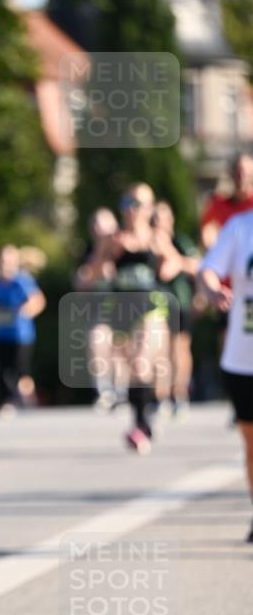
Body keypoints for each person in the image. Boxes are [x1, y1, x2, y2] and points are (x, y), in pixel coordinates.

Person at [89, 184, 186, 453]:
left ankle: (142, 424)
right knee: (133, 370)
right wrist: (105, 254)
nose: (131, 210)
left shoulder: (156, 238)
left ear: (148, 209)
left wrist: (165, 267)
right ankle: (142, 420)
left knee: (142, 364)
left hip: (150, 308)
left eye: (137, 204)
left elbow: (176, 262)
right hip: (121, 310)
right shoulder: (114, 239)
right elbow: (93, 273)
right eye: (127, 203)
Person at [198, 209, 253, 543]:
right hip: (243, 356)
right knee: (251, 442)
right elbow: (208, 270)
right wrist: (214, 289)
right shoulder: (240, 227)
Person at [151, 201, 200, 419]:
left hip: (180, 300)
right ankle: (159, 395)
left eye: (164, 218)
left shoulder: (180, 241)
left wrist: (176, 260)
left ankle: (180, 392)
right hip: (156, 302)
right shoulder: (149, 242)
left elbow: (198, 265)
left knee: (180, 346)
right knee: (159, 348)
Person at [74, 207, 126, 411]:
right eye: (96, 224)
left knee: (121, 348)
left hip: (124, 308)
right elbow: (81, 283)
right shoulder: (88, 252)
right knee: (97, 341)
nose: (100, 229)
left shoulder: (125, 249)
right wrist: (100, 255)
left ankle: (123, 392)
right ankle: (104, 390)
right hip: (99, 310)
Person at [0, 244, 46, 411]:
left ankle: (26, 399)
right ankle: (9, 401)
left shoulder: (23, 281)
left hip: (21, 335)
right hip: (0, 334)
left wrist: (23, 312)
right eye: (4, 261)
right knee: (2, 371)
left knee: (21, 370)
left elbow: (38, 300)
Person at [200, 153, 253, 250]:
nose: (242, 178)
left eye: (246, 174)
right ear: (231, 174)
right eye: (238, 173)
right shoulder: (218, 204)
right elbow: (207, 230)